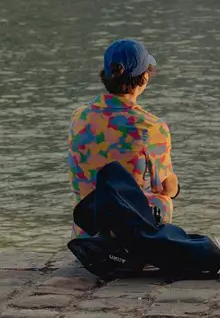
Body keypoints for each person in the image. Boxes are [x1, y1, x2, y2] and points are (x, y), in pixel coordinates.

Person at [68, 38, 179, 223]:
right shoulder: (151, 127)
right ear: (144, 78)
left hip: (86, 232)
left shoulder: (78, 117)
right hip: (128, 234)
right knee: (163, 199)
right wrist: (175, 186)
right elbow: (164, 187)